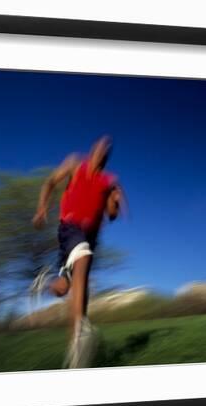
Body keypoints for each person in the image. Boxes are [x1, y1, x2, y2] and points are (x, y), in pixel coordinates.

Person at [31, 135, 125, 368]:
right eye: (100, 145)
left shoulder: (108, 181)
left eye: (108, 148)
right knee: (83, 257)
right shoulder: (75, 163)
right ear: (92, 149)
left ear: (107, 156)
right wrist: (42, 208)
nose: (103, 149)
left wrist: (115, 200)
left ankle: (76, 357)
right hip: (70, 227)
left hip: (90, 238)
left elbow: (111, 215)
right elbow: (50, 182)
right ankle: (80, 333)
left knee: (64, 289)